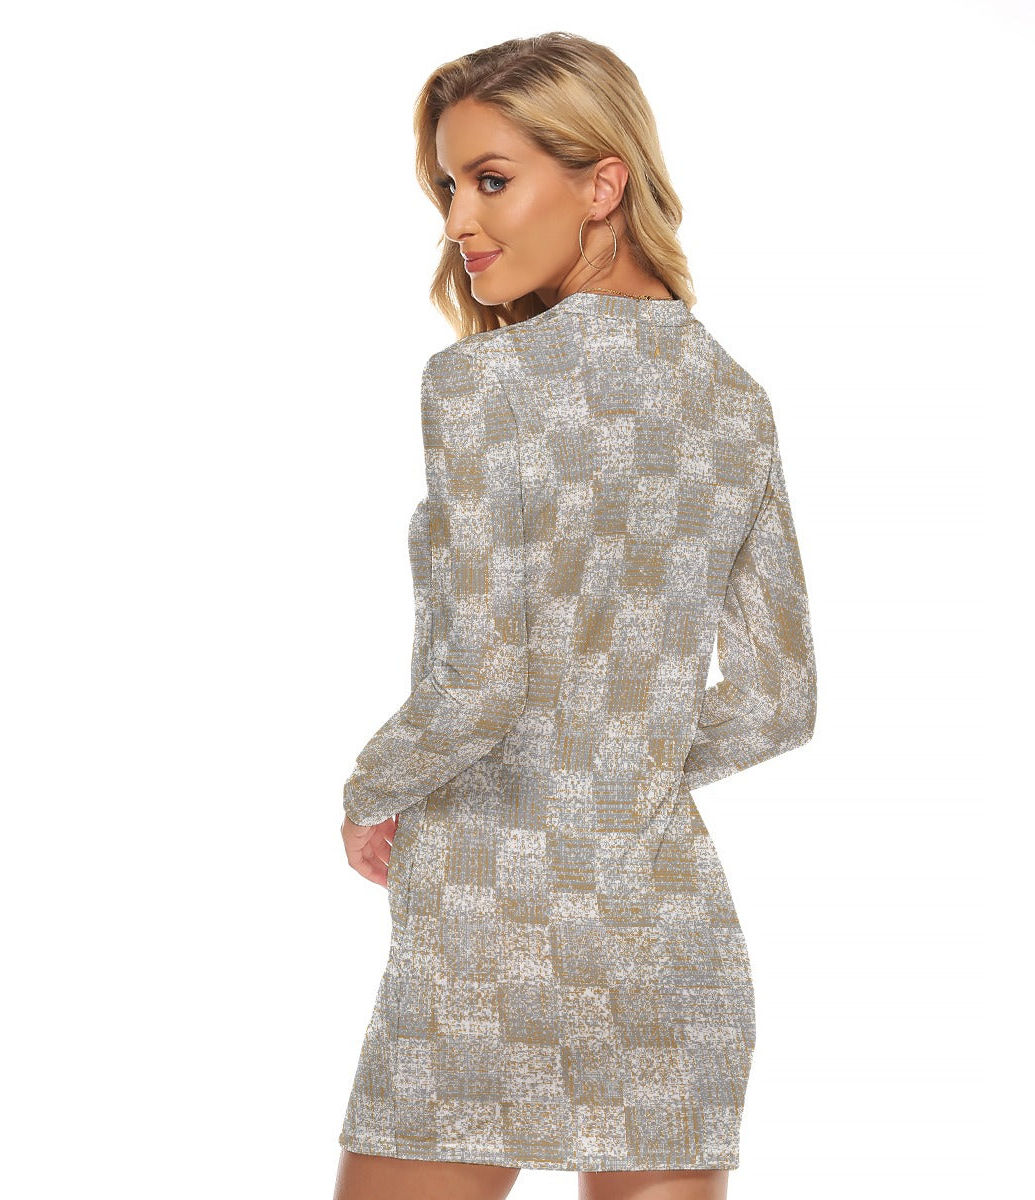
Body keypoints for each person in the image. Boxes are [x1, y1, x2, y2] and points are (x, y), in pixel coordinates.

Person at [332, 32, 818, 1200]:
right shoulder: (735, 400)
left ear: (604, 183)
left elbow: (483, 681)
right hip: (666, 937)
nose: (458, 218)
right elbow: (779, 701)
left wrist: (370, 788)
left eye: (490, 179)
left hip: (488, 935)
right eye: (448, 185)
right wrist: (619, 758)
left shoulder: (478, 384)